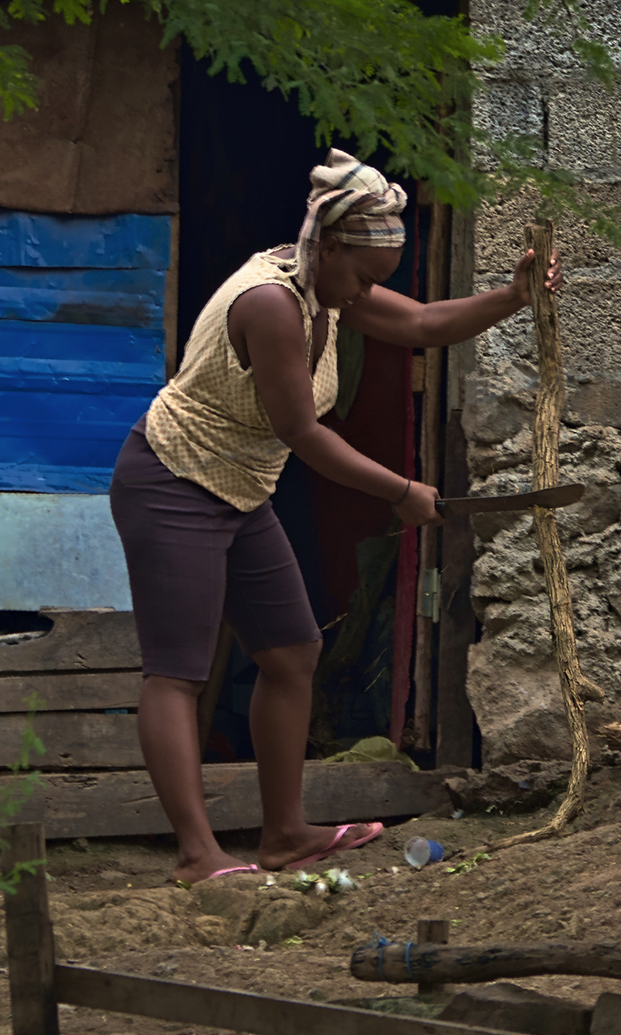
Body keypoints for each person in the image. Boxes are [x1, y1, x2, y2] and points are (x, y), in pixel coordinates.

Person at [109, 149, 563, 884]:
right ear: (329, 243)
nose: (365, 293)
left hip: (240, 488)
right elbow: (303, 433)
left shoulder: (330, 288)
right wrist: (400, 489)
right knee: (177, 672)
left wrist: (511, 298)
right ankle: (198, 854)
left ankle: (284, 834)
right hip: (173, 481)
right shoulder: (269, 303)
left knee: (291, 653)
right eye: (360, 275)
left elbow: (422, 323)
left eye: (373, 283)